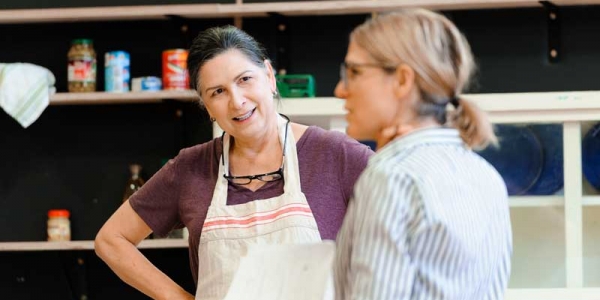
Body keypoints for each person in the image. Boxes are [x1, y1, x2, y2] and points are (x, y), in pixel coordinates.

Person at [94, 25, 373, 299]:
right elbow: (111, 240)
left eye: (245, 79)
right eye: (218, 92)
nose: (237, 101)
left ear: (270, 77)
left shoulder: (335, 154)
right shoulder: (190, 168)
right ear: (206, 107)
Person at [333, 9, 513, 300]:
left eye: (354, 72)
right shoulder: (484, 174)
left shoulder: (391, 177)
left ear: (403, 80)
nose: (341, 89)